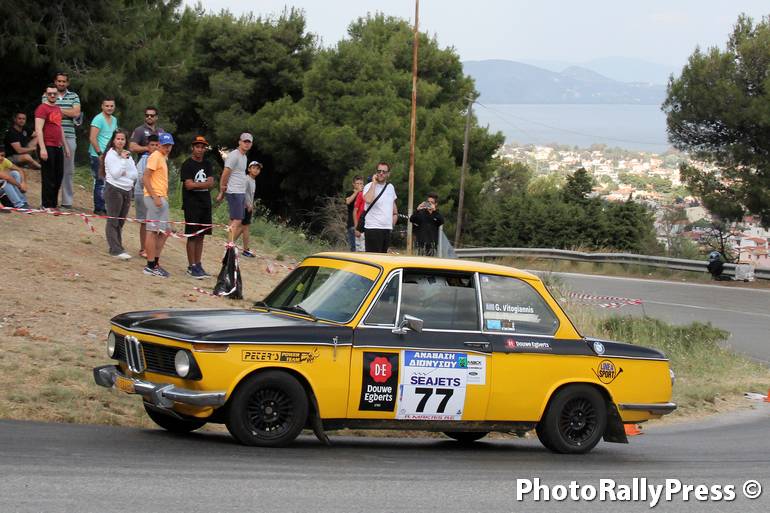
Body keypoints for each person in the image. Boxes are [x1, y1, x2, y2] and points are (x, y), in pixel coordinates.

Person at [180, 135, 215, 279]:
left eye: (202, 147)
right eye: (197, 147)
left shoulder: (207, 164)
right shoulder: (187, 164)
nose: (200, 149)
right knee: (192, 235)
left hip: (205, 203)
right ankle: (191, 266)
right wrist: (203, 184)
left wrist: (196, 185)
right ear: (193, 148)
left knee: (201, 235)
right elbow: (188, 185)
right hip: (191, 204)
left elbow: (211, 183)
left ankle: (198, 263)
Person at [47, 73, 81, 208]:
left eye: (64, 81)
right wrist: (67, 112)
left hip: (69, 136)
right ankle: (50, 200)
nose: (61, 83)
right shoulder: (48, 94)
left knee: (68, 170)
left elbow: (76, 113)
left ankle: (67, 201)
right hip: (51, 136)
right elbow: (46, 112)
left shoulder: (74, 96)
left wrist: (56, 109)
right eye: (59, 81)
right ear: (55, 82)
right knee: (51, 169)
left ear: (67, 83)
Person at [142, 132, 174, 277]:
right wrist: (154, 196)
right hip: (155, 197)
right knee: (152, 230)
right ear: (159, 144)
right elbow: (145, 177)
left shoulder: (162, 157)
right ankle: (150, 265)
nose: (167, 148)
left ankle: (154, 262)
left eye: (169, 145)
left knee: (165, 231)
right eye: (165, 145)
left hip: (161, 197)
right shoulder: (155, 156)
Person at [102, 129, 137, 260]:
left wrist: (125, 170)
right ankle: (115, 249)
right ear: (113, 140)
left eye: (123, 139)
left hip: (127, 190)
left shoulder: (128, 155)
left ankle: (118, 246)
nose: (120, 141)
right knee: (113, 220)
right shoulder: (110, 155)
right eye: (118, 139)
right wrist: (123, 162)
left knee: (121, 221)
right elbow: (115, 174)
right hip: (114, 189)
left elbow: (134, 174)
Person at [34, 84, 71, 209]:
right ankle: (46, 204)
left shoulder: (57, 109)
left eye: (54, 93)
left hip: (58, 146)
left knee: (58, 175)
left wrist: (66, 146)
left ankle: (53, 203)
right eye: (49, 93)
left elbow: (60, 128)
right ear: (46, 94)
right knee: (48, 176)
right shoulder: (42, 108)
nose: (52, 95)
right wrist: (42, 148)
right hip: (47, 145)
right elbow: (38, 129)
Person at [216, 133, 252, 242]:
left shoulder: (244, 157)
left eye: (249, 142)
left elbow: (240, 175)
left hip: (240, 191)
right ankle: (229, 244)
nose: (246, 144)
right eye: (244, 141)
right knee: (238, 219)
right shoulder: (234, 155)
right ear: (239, 142)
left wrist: (246, 197)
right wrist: (222, 190)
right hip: (234, 191)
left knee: (234, 219)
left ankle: (229, 244)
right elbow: (225, 173)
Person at [88, 97, 118, 215]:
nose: (109, 108)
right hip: (98, 154)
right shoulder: (98, 119)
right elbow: (92, 138)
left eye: (111, 106)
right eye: (107, 106)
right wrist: (99, 153)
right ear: (102, 106)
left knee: (109, 181)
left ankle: (106, 206)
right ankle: (99, 207)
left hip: (110, 154)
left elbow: (115, 136)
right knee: (100, 180)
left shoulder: (114, 120)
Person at [362, 162, 398, 253]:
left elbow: (394, 208)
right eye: (379, 171)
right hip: (373, 228)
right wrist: (374, 183)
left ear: (388, 174)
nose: (381, 173)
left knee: (383, 258)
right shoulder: (369, 186)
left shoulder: (390, 187)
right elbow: (368, 199)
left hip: (386, 229)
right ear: (376, 172)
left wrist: (393, 221)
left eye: (384, 172)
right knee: (373, 258)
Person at [133, 134, 159, 258]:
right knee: (145, 222)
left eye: (157, 145)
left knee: (153, 222)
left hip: (154, 194)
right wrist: (153, 193)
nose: (154, 147)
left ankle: (150, 247)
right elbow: (142, 179)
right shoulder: (144, 159)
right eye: (152, 145)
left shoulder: (160, 158)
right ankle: (143, 248)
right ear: (148, 146)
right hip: (143, 193)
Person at [239, 161, 262, 258]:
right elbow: (242, 192)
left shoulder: (253, 180)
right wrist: (248, 204)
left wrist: (252, 205)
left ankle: (231, 244)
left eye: (258, 168)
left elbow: (250, 195)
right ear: (249, 169)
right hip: (244, 207)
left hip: (248, 207)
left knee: (242, 228)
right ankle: (245, 250)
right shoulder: (246, 179)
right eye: (254, 168)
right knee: (245, 228)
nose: (256, 170)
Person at [0, 145, 31, 210]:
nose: (1, 158)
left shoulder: (4, 160)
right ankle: (19, 205)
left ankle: (23, 202)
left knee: (15, 173)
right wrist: (20, 186)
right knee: (5, 181)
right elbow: (7, 177)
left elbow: (20, 170)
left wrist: (23, 183)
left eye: (2, 155)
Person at [345, 176, 364, 251]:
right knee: (354, 248)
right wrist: (357, 192)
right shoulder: (350, 193)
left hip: (363, 225)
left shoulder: (365, 193)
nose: (359, 185)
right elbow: (348, 201)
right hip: (352, 224)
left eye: (361, 183)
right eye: (357, 183)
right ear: (353, 184)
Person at [353, 179, 366, 251]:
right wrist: (356, 228)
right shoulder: (361, 194)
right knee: (360, 251)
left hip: (369, 226)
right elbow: (355, 211)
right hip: (360, 226)